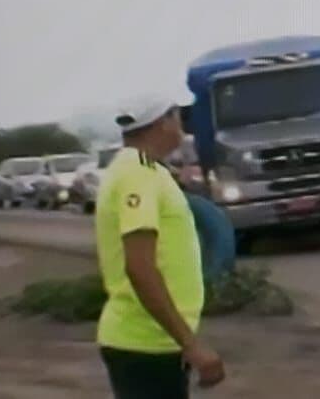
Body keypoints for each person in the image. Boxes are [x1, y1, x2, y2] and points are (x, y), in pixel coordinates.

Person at [96, 96, 225, 398]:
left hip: (153, 341)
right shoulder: (138, 174)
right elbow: (140, 267)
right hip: (144, 343)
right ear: (162, 122)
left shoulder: (142, 169)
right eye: (177, 116)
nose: (181, 125)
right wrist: (190, 344)